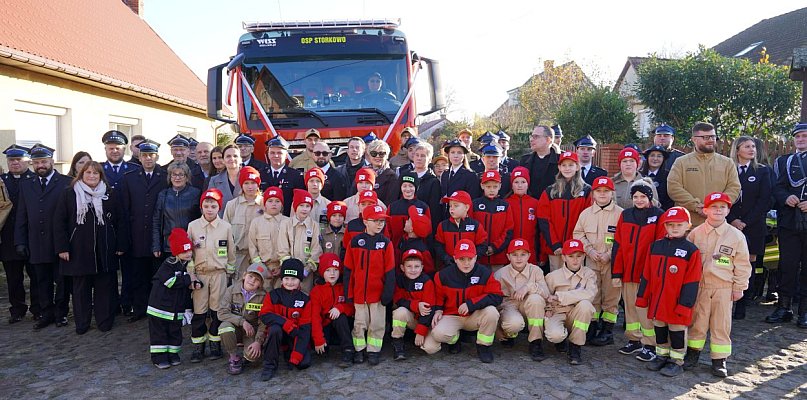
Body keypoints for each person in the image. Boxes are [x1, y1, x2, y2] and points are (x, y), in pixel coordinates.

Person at [684, 193, 752, 377]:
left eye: (722, 207)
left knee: (721, 324)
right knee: (698, 321)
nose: (718, 210)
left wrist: (739, 287)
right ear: (705, 210)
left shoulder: (736, 236)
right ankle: (692, 353)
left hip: (724, 287)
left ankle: (719, 359)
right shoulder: (695, 234)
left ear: (728, 210)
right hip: (700, 286)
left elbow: (743, 264)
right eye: (714, 207)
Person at [54, 161, 123, 334]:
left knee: (104, 289)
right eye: (88, 173)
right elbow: (59, 223)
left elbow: (120, 221)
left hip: (104, 249)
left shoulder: (109, 194)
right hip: (78, 249)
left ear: (101, 176)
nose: (91, 176)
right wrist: (62, 248)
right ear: (81, 174)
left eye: (95, 173)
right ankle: (82, 323)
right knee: (80, 290)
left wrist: (120, 244)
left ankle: (104, 321)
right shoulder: (69, 194)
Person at [636, 206, 702, 377]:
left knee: (677, 331)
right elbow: (647, 274)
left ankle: (677, 360)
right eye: (670, 224)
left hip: (677, 302)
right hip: (658, 300)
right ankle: (662, 355)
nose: (674, 227)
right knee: (660, 329)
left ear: (688, 225)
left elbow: (692, 281)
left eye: (679, 224)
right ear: (664, 226)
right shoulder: (655, 247)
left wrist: (685, 305)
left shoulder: (691, 251)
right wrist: (642, 297)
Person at [14, 144, 71, 329]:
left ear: (52, 162)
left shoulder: (65, 182)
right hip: (36, 242)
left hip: (59, 243)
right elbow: (21, 215)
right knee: (41, 281)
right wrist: (20, 241)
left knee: (61, 281)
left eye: (44, 161)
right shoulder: (26, 184)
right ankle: (46, 314)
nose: (41, 165)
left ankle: (61, 313)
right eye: (37, 162)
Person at [422, 239, 503, 363]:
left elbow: (497, 296)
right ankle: (455, 339)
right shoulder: (443, 275)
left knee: (492, 312)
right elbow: (438, 296)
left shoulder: (485, 273)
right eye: (462, 259)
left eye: (470, 259)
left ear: (475, 258)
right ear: (454, 259)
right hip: (452, 315)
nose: (466, 263)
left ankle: (484, 346)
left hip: (475, 315)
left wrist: (471, 304)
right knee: (437, 334)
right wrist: (438, 309)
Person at [611, 180, 665, 361]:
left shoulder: (659, 216)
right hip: (628, 273)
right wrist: (616, 273)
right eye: (635, 197)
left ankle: (650, 344)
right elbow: (618, 245)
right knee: (630, 309)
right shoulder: (625, 215)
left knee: (646, 311)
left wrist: (652, 274)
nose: (639, 200)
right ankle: (634, 340)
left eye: (643, 196)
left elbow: (660, 248)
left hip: (647, 275)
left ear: (650, 197)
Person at [120, 140, 168, 323]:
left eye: (152, 155)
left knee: (157, 275)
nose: (148, 158)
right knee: (138, 276)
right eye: (145, 155)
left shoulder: (165, 176)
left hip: (158, 234)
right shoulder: (129, 177)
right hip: (137, 234)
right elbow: (125, 209)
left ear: (157, 156)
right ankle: (139, 308)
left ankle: (157, 309)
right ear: (139, 157)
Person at [187, 188, 237, 362]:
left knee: (217, 311)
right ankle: (198, 346)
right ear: (201, 207)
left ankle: (215, 344)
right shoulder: (193, 226)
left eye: (213, 206)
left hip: (219, 274)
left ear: (219, 208)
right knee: (199, 312)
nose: (209, 209)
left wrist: (230, 271)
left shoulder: (226, 227)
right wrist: (191, 274)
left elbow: (231, 252)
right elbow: (189, 254)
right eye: (206, 205)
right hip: (200, 275)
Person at [573, 176, 623, 345]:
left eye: (606, 191)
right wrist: (589, 250)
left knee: (611, 296)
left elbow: (622, 239)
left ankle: (607, 330)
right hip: (592, 261)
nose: (602, 194)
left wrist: (609, 253)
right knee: (593, 294)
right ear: (593, 193)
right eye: (598, 191)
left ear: (612, 193)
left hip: (611, 262)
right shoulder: (585, 214)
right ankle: (592, 327)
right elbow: (578, 234)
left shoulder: (620, 214)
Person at [343, 204, 395, 365]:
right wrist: (348, 293)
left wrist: (388, 293)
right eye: (376, 221)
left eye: (382, 221)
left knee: (377, 324)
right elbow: (348, 270)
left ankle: (373, 350)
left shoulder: (386, 244)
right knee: (360, 323)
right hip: (359, 293)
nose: (380, 224)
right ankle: (359, 350)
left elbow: (390, 271)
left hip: (378, 294)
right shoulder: (355, 242)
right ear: (365, 221)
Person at [766, 123, 807, 326]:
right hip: (790, 221)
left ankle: (805, 312)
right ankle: (784, 307)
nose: (801, 139)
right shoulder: (784, 161)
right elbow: (777, 187)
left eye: (804, 136)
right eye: (797, 136)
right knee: (787, 265)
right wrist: (786, 197)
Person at [727, 136, 772, 319]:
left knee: (749, 262)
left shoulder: (762, 171)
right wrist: (732, 220)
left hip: (753, 225)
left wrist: (745, 222)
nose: (752, 149)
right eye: (747, 146)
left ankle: (743, 303)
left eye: (753, 146)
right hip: (730, 224)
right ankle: (727, 300)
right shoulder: (728, 170)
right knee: (727, 260)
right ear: (737, 150)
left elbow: (765, 200)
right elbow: (721, 197)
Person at [667, 122, 741, 226]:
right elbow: (673, 188)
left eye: (713, 137)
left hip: (717, 224)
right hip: (688, 225)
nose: (711, 140)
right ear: (694, 139)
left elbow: (734, 188)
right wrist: (697, 206)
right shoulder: (681, 162)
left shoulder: (727, 163)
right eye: (706, 137)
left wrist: (716, 207)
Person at [147, 228, 196, 369]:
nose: (188, 254)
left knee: (175, 333)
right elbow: (170, 282)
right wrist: (188, 279)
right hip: (159, 309)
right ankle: (159, 357)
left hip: (174, 309)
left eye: (189, 251)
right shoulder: (168, 264)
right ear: (176, 252)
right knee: (159, 334)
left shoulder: (185, 265)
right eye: (184, 251)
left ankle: (173, 354)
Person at [494, 238, 549, 361]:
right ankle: (509, 334)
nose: (519, 258)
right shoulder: (500, 274)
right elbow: (494, 301)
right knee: (513, 324)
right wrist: (496, 327)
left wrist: (528, 287)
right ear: (508, 256)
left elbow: (546, 293)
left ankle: (536, 341)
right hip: (509, 305)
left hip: (529, 304)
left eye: (523, 254)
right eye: (514, 255)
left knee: (536, 299)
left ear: (529, 255)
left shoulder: (536, 271)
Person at [258, 258, 313, 381]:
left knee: (303, 363)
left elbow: (305, 329)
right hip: (276, 334)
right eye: (286, 278)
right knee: (275, 329)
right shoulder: (273, 295)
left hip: (295, 336)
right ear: (281, 279)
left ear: (300, 281)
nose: (289, 282)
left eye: (294, 279)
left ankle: (289, 352)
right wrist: (285, 323)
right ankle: (269, 365)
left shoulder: (305, 300)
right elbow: (264, 314)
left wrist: (297, 354)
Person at [544, 239, 597, 365]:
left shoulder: (589, 274)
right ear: (563, 257)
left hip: (576, 312)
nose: (575, 260)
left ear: (584, 256)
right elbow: (546, 297)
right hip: (558, 312)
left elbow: (589, 294)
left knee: (586, 305)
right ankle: (561, 339)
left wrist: (560, 296)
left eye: (579, 256)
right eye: (571, 256)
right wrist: (547, 310)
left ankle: (575, 346)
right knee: (555, 336)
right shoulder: (553, 276)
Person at [1, 145, 39, 323]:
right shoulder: (1, 181)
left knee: (36, 276)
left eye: (19, 160)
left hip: (32, 237)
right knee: (13, 278)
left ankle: (38, 308)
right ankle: (17, 309)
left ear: (28, 161)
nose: (15, 163)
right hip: (8, 237)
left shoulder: (35, 179)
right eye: (11, 160)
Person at [537, 151, 592, 272]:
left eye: (571, 165)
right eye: (564, 165)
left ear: (577, 167)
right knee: (557, 282)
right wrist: (555, 244)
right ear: (559, 167)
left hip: (577, 249)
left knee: (576, 283)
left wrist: (577, 244)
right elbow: (544, 220)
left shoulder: (587, 191)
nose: (567, 168)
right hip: (556, 249)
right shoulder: (550, 191)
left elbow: (588, 221)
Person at [217, 262, 269, 375]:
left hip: (250, 332)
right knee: (225, 328)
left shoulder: (264, 297)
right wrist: (242, 322)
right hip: (235, 327)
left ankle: (247, 353)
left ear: (260, 284)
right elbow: (221, 313)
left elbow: (264, 322)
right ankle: (233, 357)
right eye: (250, 276)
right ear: (244, 275)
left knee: (253, 357)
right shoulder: (231, 290)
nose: (252, 281)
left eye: (257, 280)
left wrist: (258, 342)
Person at [310, 254, 354, 368]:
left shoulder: (344, 287)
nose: (332, 273)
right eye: (328, 270)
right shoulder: (317, 291)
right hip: (325, 325)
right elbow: (315, 317)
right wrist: (319, 340)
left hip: (343, 325)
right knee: (322, 353)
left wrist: (340, 308)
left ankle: (348, 350)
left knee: (340, 318)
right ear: (322, 273)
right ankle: (324, 345)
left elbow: (353, 307)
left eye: (335, 270)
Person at [151, 162, 202, 262]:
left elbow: (200, 219)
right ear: (170, 177)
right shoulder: (163, 195)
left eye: (181, 174)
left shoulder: (195, 193)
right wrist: (156, 245)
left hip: (190, 244)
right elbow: (156, 221)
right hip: (169, 246)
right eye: (174, 174)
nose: (177, 178)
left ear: (187, 177)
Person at [391, 248, 435, 361]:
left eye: (417, 266)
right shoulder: (399, 280)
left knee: (430, 349)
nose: (413, 270)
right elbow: (398, 300)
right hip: (411, 318)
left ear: (422, 267)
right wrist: (416, 305)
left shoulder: (427, 282)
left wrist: (421, 331)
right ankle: (398, 343)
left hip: (426, 321)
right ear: (402, 268)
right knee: (399, 312)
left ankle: (453, 342)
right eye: (409, 266)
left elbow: (429, 309)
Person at [277, 189, 323, 293]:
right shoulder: (285, 224)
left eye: (307, 206)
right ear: (295, 207)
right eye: (301, 205)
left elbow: (316, 249)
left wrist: (307, 269)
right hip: (288, 273)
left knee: (304, 298)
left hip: (306, 273)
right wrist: (290, 268)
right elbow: (282, 247)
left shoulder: (314, 225)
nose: (304, 209)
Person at [223, 167, 264, 278]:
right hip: (238, 256)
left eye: (253, 183)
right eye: (246, 183)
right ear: (241, 184)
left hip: (260, 257)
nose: (250, 186)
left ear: (258, 184)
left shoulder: (266, 205)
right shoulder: (232, 205)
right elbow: (224, 233)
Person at [247, 187, 289, 289]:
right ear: (264, 204)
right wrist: (263, 269)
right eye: (270, 201)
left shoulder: (288, 222)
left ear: (282, 204)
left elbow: (292, 246)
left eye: (277, 201)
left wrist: (283, 267)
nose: (273, 204)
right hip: (263, 270)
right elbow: (252, 248)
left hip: (283, 271)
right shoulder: (256, 222)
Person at [434, 190, 487, 269]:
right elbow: (438, 246)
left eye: (456, 205)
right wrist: (446, 258)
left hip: (470, 268)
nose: (452, 208)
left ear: (466, 207)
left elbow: (482, 246)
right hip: (449, 266)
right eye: (450, 205)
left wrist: (470, 260)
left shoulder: (476, 225)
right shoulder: (443, 226)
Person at [472, 170, 514, 270]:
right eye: (488, 187)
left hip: (498, 256)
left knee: (498, 283)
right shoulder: (475, 205)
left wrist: (495, 247)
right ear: (482, 186)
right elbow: (471, 229)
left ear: (500, 186)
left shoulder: (505, 206)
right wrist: (480, 249)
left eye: (495, 187)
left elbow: (508, 230)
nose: (491, 190)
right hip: (479, 257)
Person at [386, 171, 431, 263]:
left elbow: (428, 233)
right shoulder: (393, 207)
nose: (407, 189)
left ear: (416, 188)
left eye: (411, 186)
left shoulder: (423, 207)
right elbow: (388, 231)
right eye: (404, 186)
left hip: (417, 252)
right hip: (396, 252)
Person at [506, 167, 542, 266]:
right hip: (510, 253)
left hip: (530, 251)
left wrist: (541, 255)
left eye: (523, 182)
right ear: (512, 185)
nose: (520, 185)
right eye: (516, 182)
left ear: (528, 184)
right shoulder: (505, 204)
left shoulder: (536, 203)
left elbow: (541, 231)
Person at [264, 136, 305, 216]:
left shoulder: (296, 176)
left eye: (279, 153)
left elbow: (300, 201)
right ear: (268, 155)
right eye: (272, 153)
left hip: (287, 219)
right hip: (265, 220)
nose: (276, 156)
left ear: (286, 155)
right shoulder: (261, 174)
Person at [520, 125, 560, 202]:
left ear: (548, 140)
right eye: (531, 136)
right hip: (529, 206)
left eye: (536, 136)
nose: (531, 140)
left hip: (552, 205)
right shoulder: (524, 161)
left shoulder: (560, 161)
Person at [410, 141, 443, 229]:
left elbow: (434, 211)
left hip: (423, 226)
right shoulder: (405, 176)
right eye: (417, 155)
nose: (419, 158)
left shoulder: (433, 182)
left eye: (423, 156)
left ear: (429, 159)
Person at [207, 144, 243, 213]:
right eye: (228, 156)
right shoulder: (214, 181)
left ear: (241, 159)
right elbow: (209, 203)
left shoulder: (248, 178)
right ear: (223, 160)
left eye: (235, 156)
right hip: (222, 221)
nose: (232, 159)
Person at [365, 140, 399, 206]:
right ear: (369, 155)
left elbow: (391, 201)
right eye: (374, 153)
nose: (377, 156)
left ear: (387, 156)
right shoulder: (363, 173)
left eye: (381, 154)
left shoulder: (392, 176)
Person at [640, 145, 674, 210]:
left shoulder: (669, 175)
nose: (655, 159)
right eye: (652, 155)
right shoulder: (639, 175)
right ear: (647, 158)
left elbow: (671, 198)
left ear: (663, 159)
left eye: (659, 156)